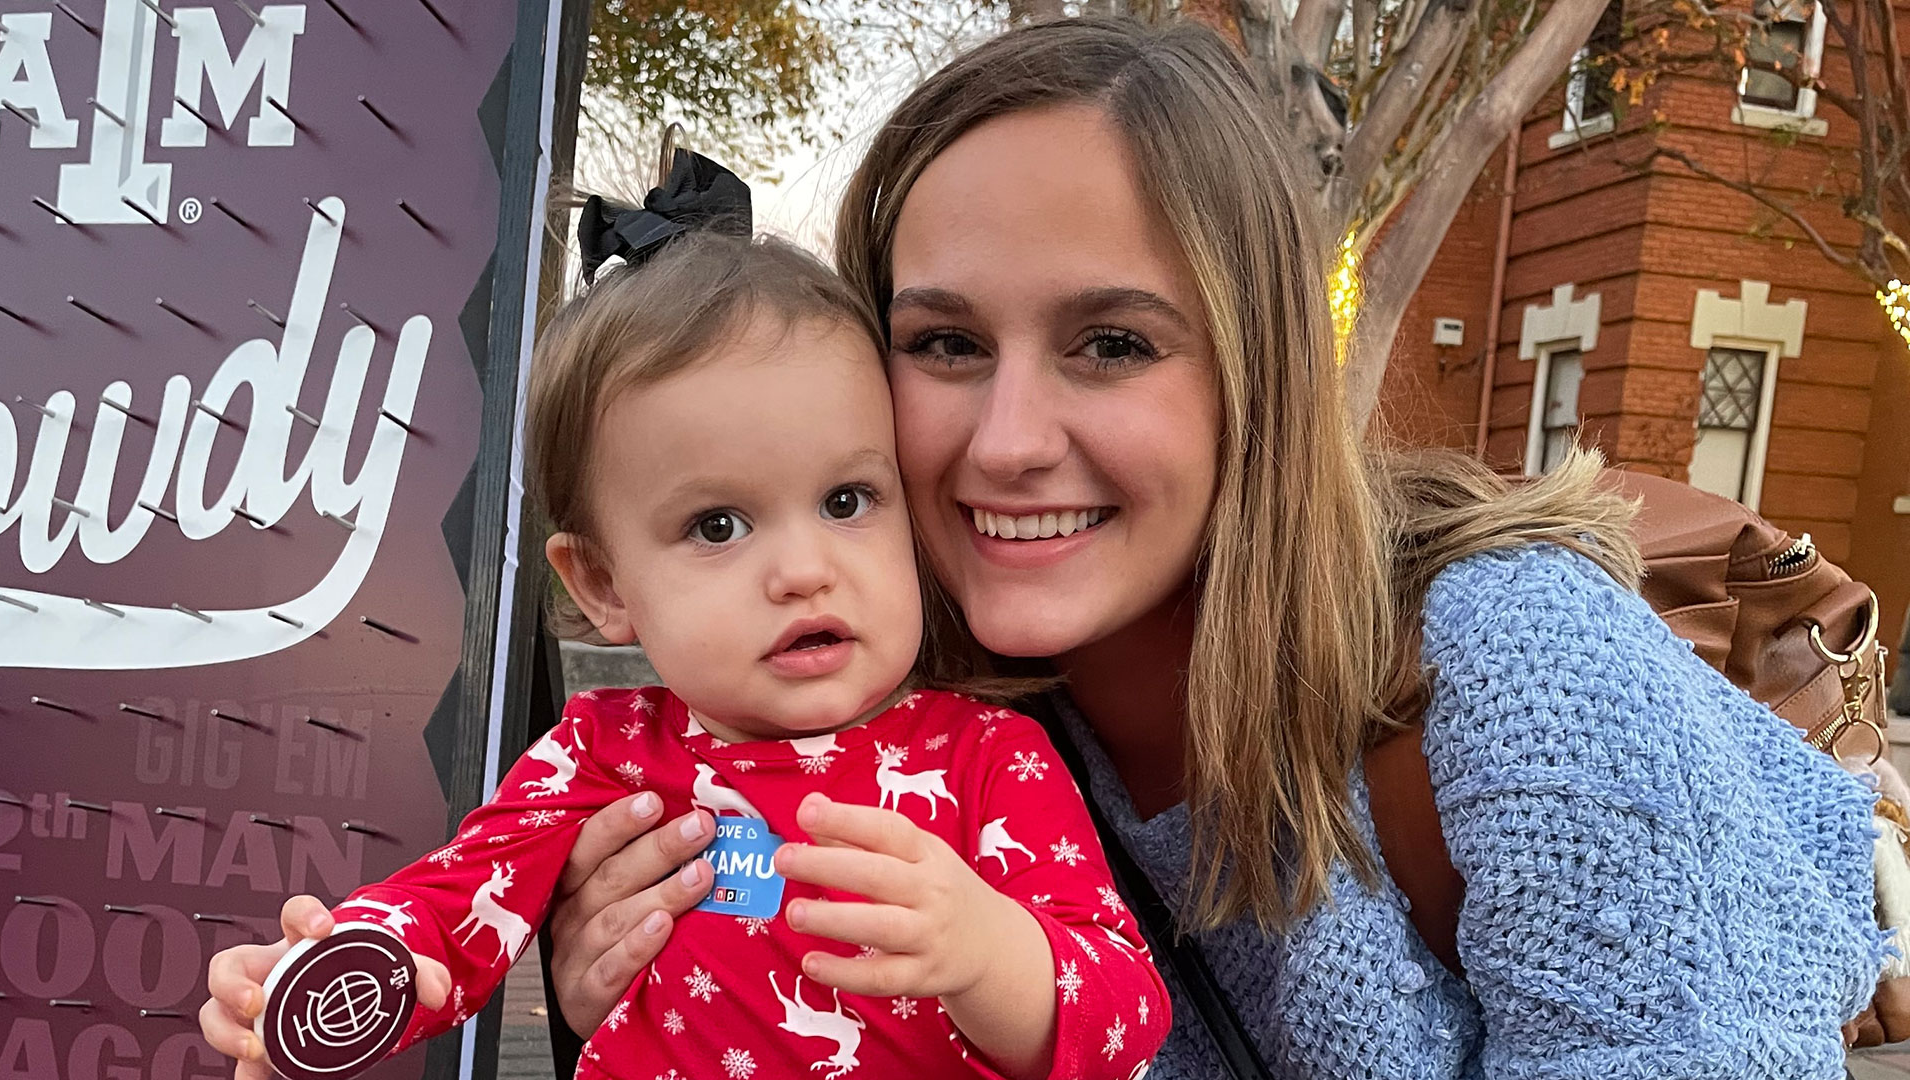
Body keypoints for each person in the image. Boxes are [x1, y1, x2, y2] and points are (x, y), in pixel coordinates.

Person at [539, 18, 1889, 1080]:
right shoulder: (891, 719)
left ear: (1256, 382)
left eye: (1112, 345)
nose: (1008, 440)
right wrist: (658, 992)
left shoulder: (1513, 671)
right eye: (945, 343)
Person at [197, 155, 1167, 1080]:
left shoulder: (987, 761)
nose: (802, 570)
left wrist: (986, 950)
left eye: (845, 500)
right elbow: (459, 904)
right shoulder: (600, 759)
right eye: (718, 525)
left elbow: (1127, 1017)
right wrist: (328, 973)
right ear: (605, 586)